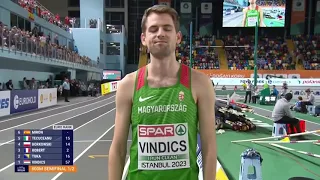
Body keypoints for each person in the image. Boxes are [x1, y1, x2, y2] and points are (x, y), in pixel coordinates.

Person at [108, 5, 217, 180]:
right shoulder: (128, 85)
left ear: (178, 37)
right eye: (153, 29)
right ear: (144, 38)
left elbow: (209, 146)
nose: (160, 33)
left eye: (167, 28)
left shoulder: (200, 83)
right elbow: (118, 148)